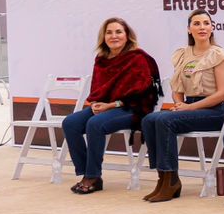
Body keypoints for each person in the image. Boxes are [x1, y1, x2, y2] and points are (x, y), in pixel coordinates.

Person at [140, 9, 224, 203]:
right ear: (189, 29)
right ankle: (163, 177)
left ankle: (171, 180)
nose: (202, 27)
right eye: (197, 24)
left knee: (165, 121)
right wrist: (179, 104)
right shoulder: (183, 54)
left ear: (212, 27)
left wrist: (189, 108)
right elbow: (177, 86)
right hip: (188, 107)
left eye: (206, 23)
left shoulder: (219, 55)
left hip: (214, 111)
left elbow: (222, 93)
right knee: (149, 119)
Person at [61, 17, 159, 194]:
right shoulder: (101, 59)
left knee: (95, 124)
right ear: (103, 37)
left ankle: (92, 176)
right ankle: (87, 172)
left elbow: (144, 93)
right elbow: (97, 88)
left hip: (133, 108)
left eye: (118, 32)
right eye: (109, 32)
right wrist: (96, 103)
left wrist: (112, 105)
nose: (114, 36)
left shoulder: (138, 58)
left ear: (127, 35)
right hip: (107, 106)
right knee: (70, 123)